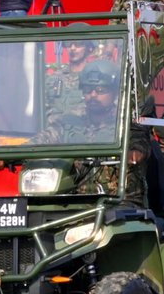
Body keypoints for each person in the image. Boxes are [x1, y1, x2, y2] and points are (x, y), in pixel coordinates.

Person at [34, 62, 150, 205]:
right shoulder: (71, 121)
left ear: (114, 92)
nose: (93, 95)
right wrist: (9, 154)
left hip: (121, 202)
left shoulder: (127, 122)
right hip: (76, 200)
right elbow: (43, 138)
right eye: (88, 90)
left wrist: (135, 152)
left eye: (100, 90)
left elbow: (139, 143)